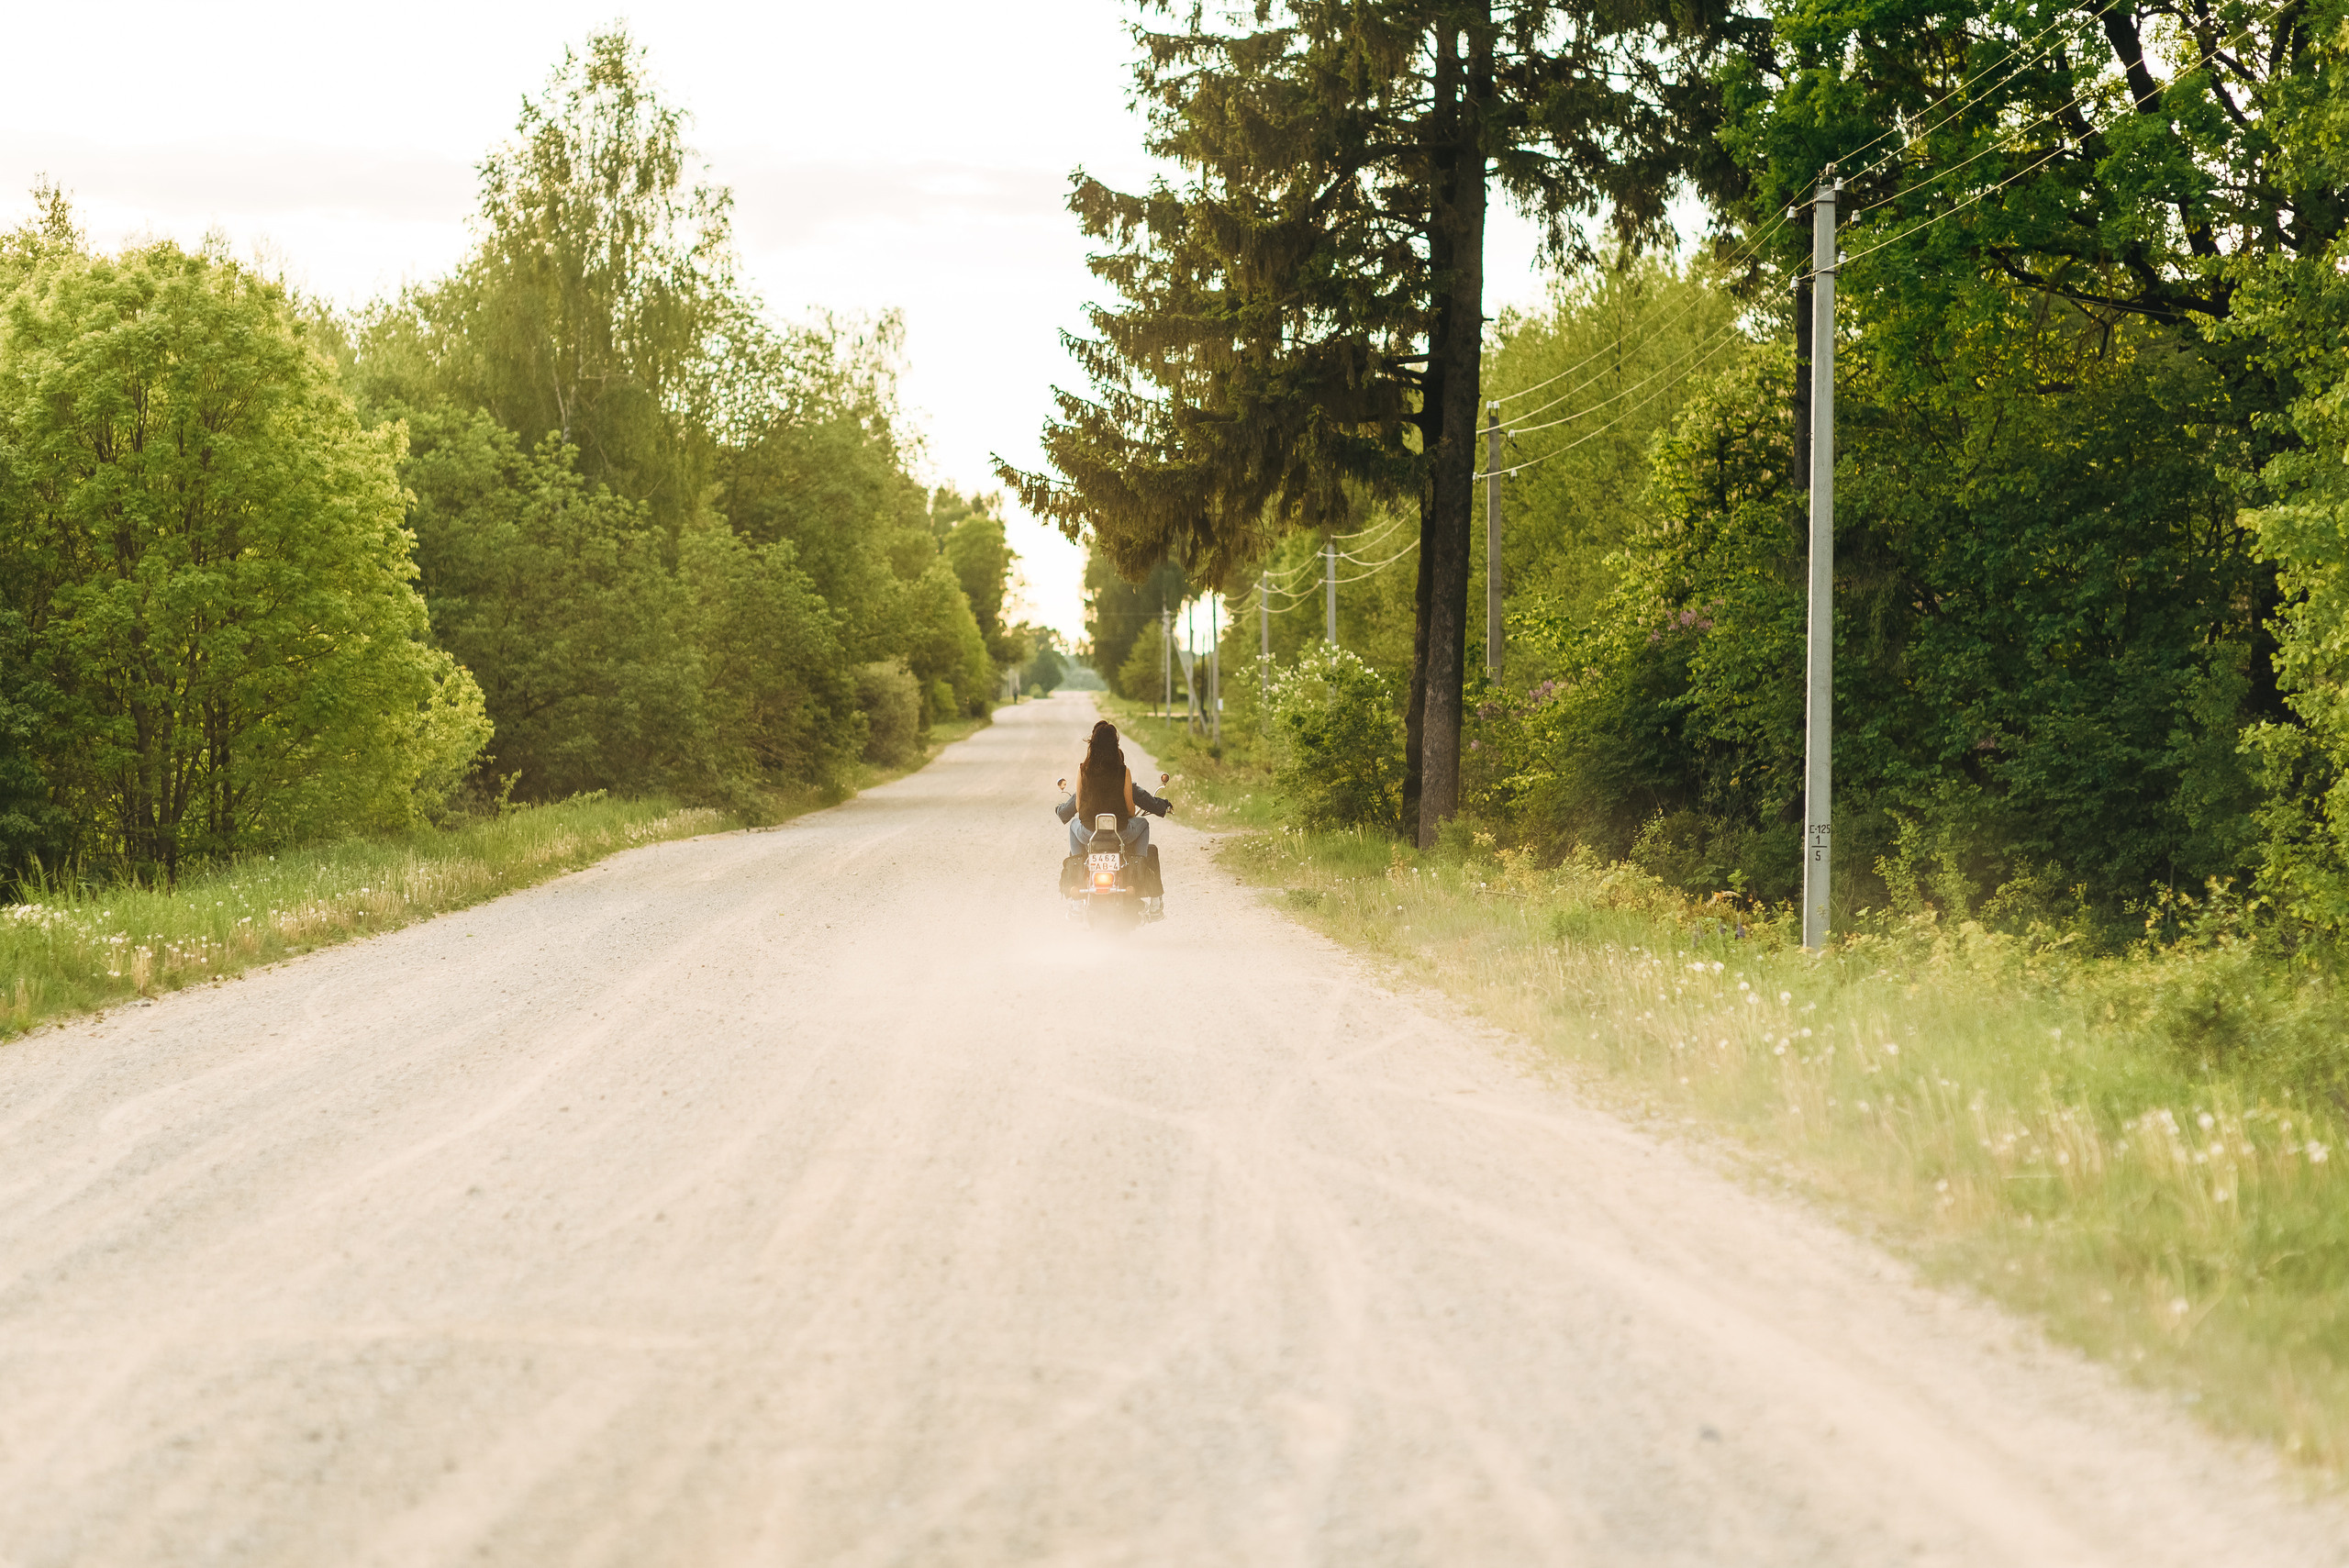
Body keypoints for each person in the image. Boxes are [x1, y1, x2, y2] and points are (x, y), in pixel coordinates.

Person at [1055, 719, 1170, 858]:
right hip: (1120, 834)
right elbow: (1130, 810)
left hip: (1089, 833)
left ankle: (1076, 863)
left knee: (1074, 825)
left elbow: (1079, 806)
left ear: (1093, 743)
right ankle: (1139, 864)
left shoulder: (1083, 770)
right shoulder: (1124, 771)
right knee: (1144, 824)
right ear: (1115, 744)